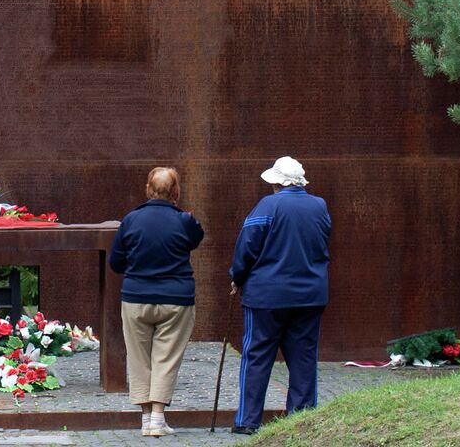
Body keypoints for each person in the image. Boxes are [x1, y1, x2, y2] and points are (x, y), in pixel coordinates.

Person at [227, 155, 330, 435]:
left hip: (266, 296)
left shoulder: (268, 206)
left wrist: (237, 276)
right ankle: (303, 420)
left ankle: (248, 421)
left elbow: (247, 247)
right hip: (310, 295)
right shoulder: (319, 206)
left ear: (277, 184)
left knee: (257, 355)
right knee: (304, 358)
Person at [109, 166, 205, 438]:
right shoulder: (186, 220)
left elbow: (116, 262)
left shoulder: (130, 220)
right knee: (166, 358)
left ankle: (145, 419)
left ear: (148, 190)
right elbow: (196, 239)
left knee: (139, 359)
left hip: (137, 297)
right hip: (177, 298)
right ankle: (158, 419)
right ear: (176, 192)